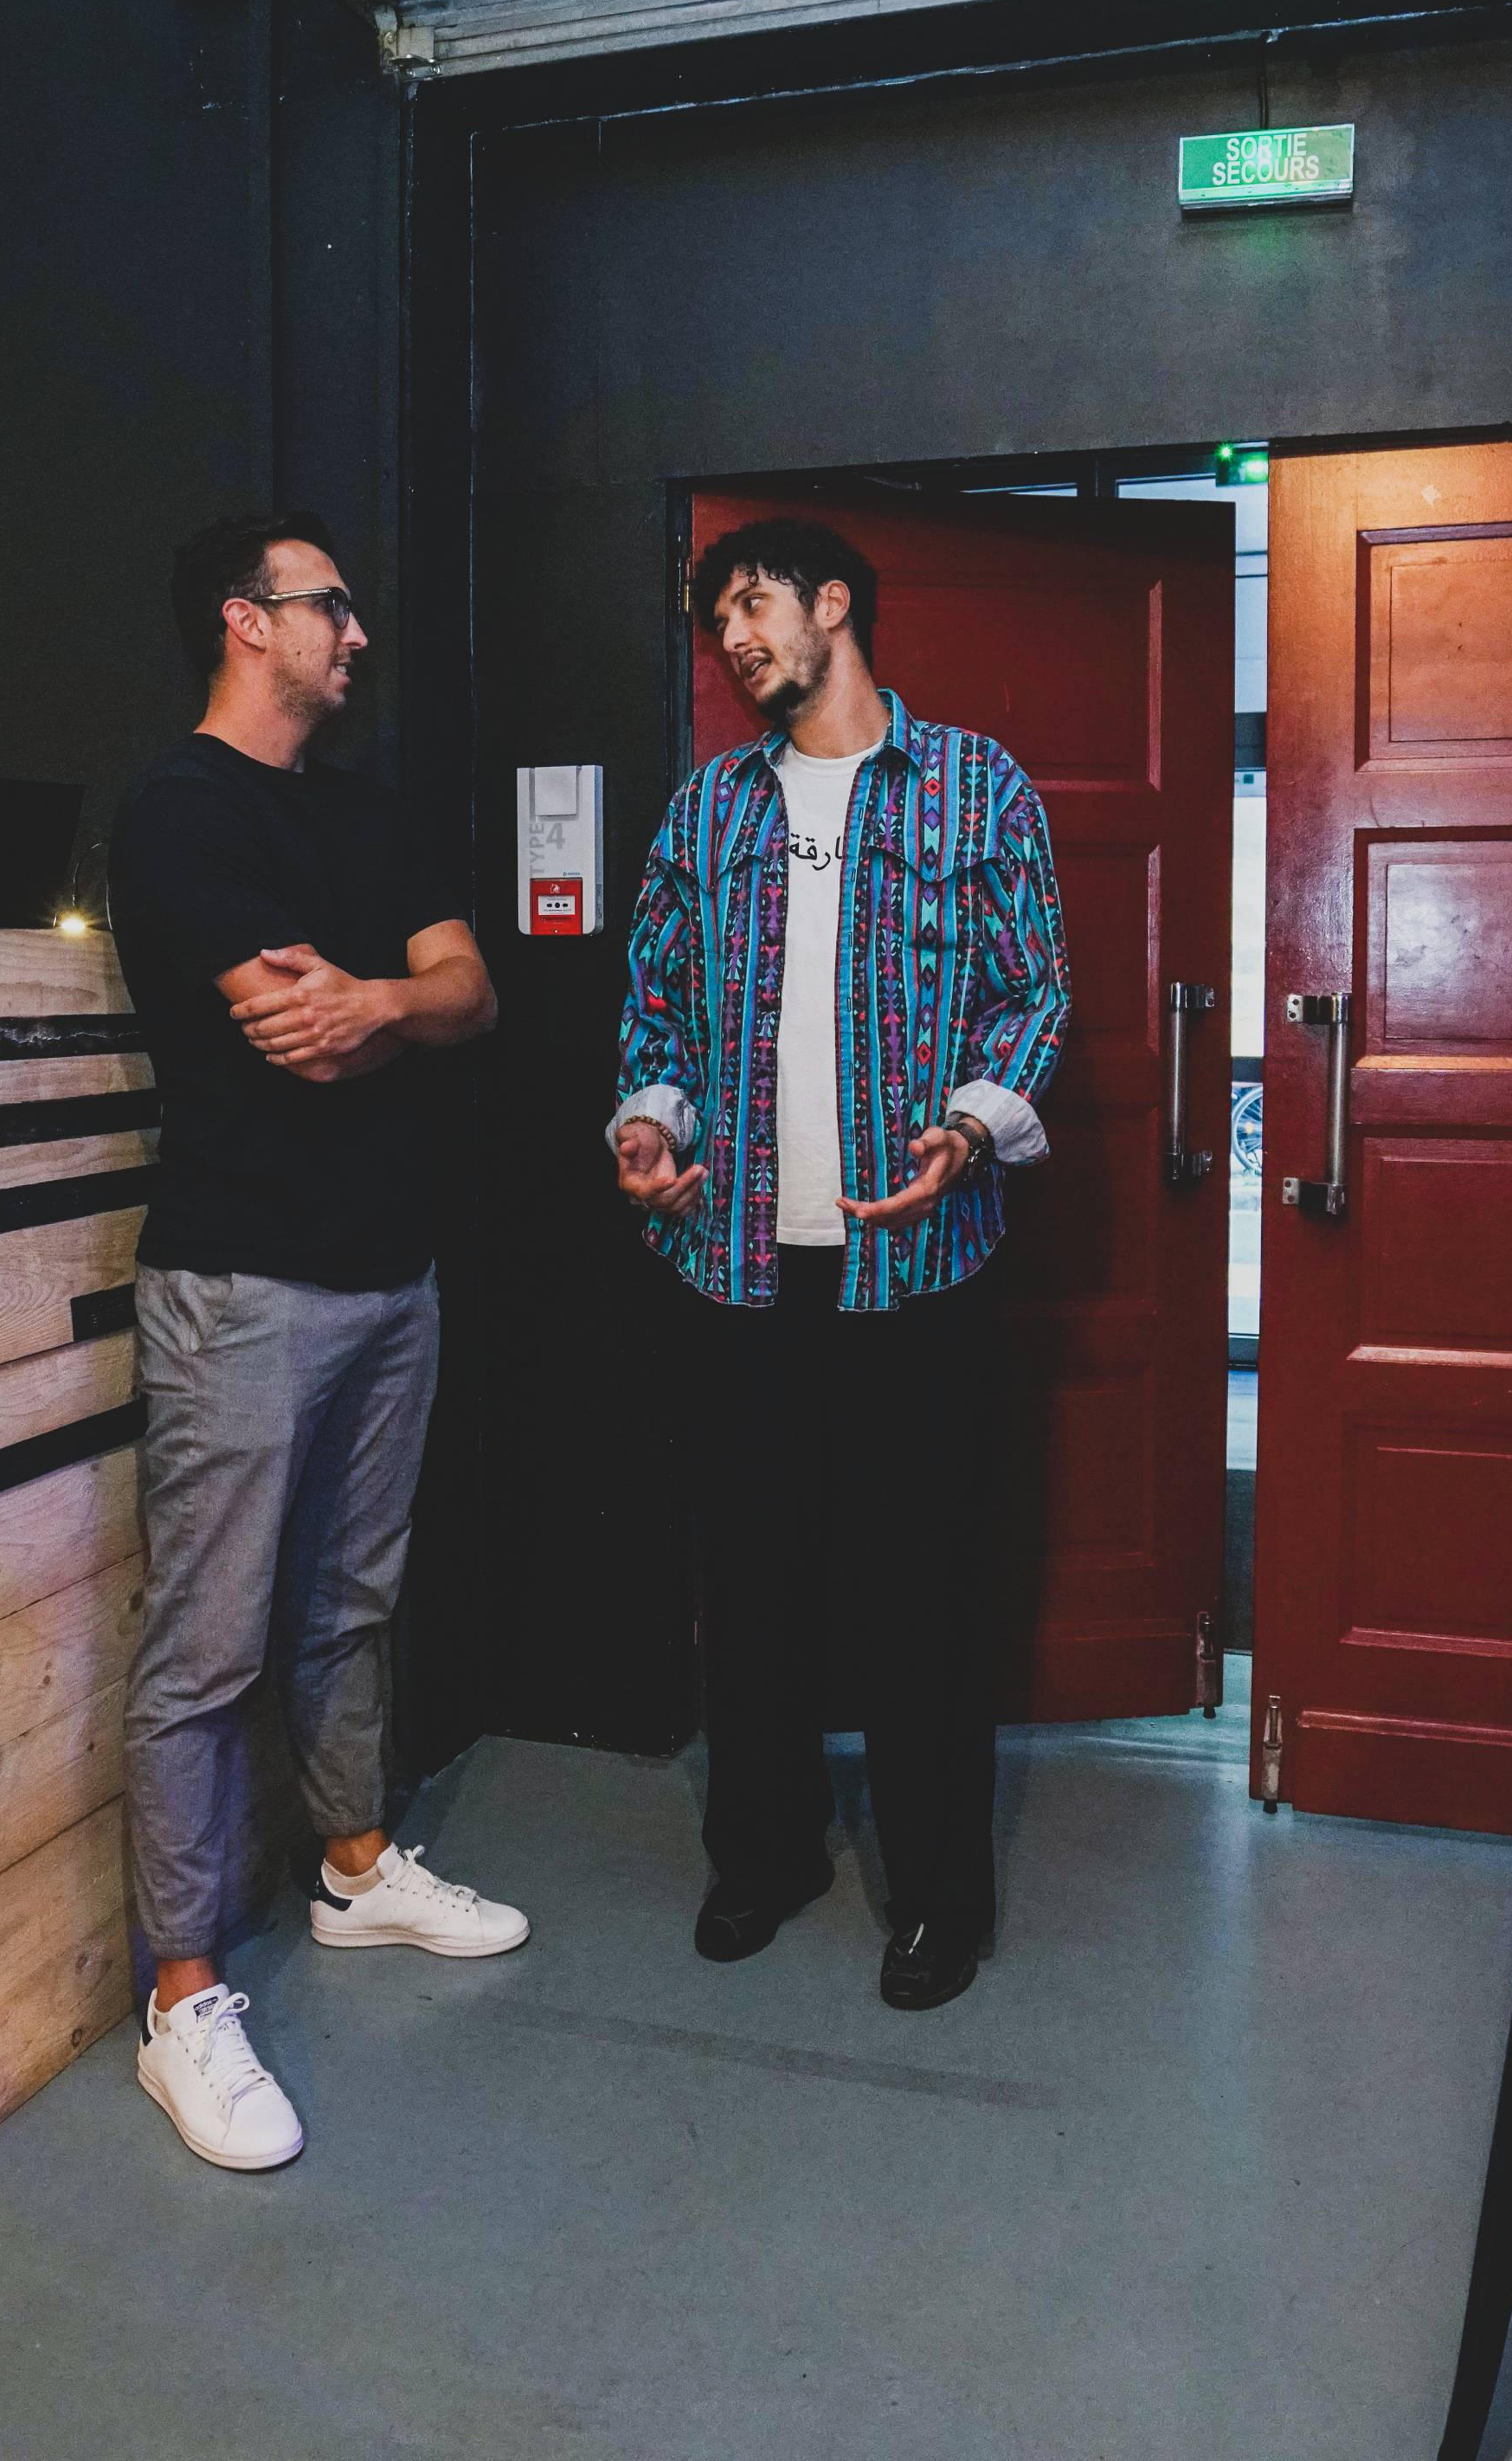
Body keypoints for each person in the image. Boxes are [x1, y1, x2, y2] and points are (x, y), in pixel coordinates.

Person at [105, 510, 524, 2171]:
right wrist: (377, 1004)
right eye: (328, 606)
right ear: (245, 619)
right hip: (241, 1286)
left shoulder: (365, 807)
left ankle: (352, 1868)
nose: (356, 633)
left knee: (353, 1599)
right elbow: (291, 1031)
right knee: (206, 1650)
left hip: (390, 1279)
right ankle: (182, 1995)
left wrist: (382, 1001)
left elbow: (469, 991)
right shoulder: (179, 808)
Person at [609, 516, 1071, 2012]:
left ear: (832, 603)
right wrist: (648, 1122)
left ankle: (937, 1896)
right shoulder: (708, 808)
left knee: (922, 1592)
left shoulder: (977, 785)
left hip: (917, 1269)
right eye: (715, 622)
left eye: (751, 605)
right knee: (751, 1581)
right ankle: (768, 1852)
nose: (734, 639)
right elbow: (658, 1008)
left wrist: (970, 1126)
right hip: (739, 1268)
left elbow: (1033, 993)